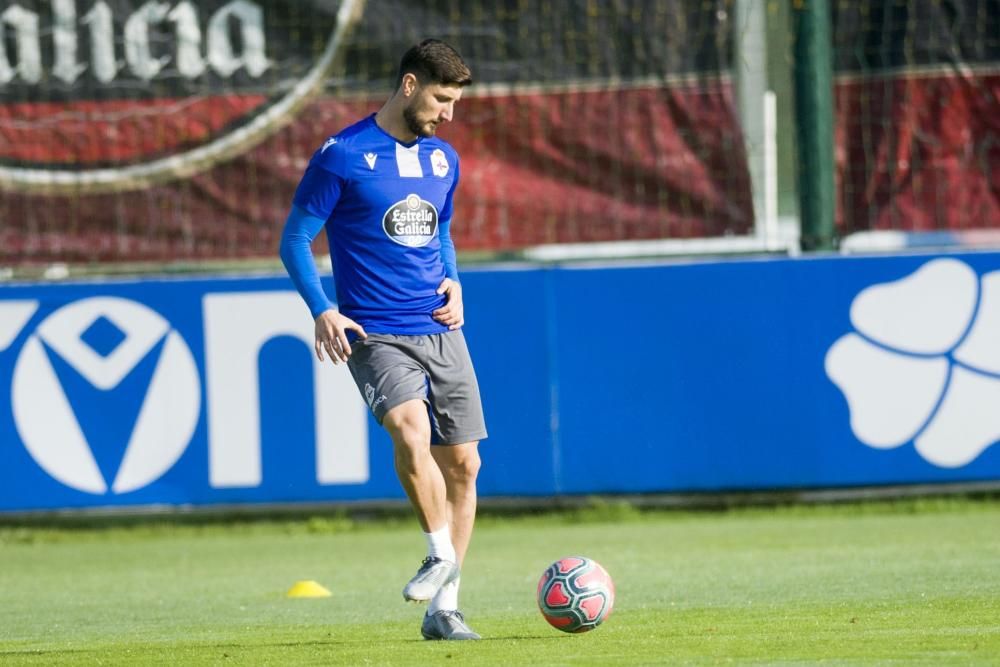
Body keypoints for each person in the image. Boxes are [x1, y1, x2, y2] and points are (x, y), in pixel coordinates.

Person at [279, 39, 486, 641]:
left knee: (465, 465)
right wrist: (322, 309)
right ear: (410, 86)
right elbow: (294, 240)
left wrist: (454, 280)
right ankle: (436, 549)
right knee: (409, 428)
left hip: (440, 327)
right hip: (374, 329)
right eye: (442, 99)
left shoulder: (444, 160)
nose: (449, 114)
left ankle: (445, 608)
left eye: (455, 102)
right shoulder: (342, 155)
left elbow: (440, 231)